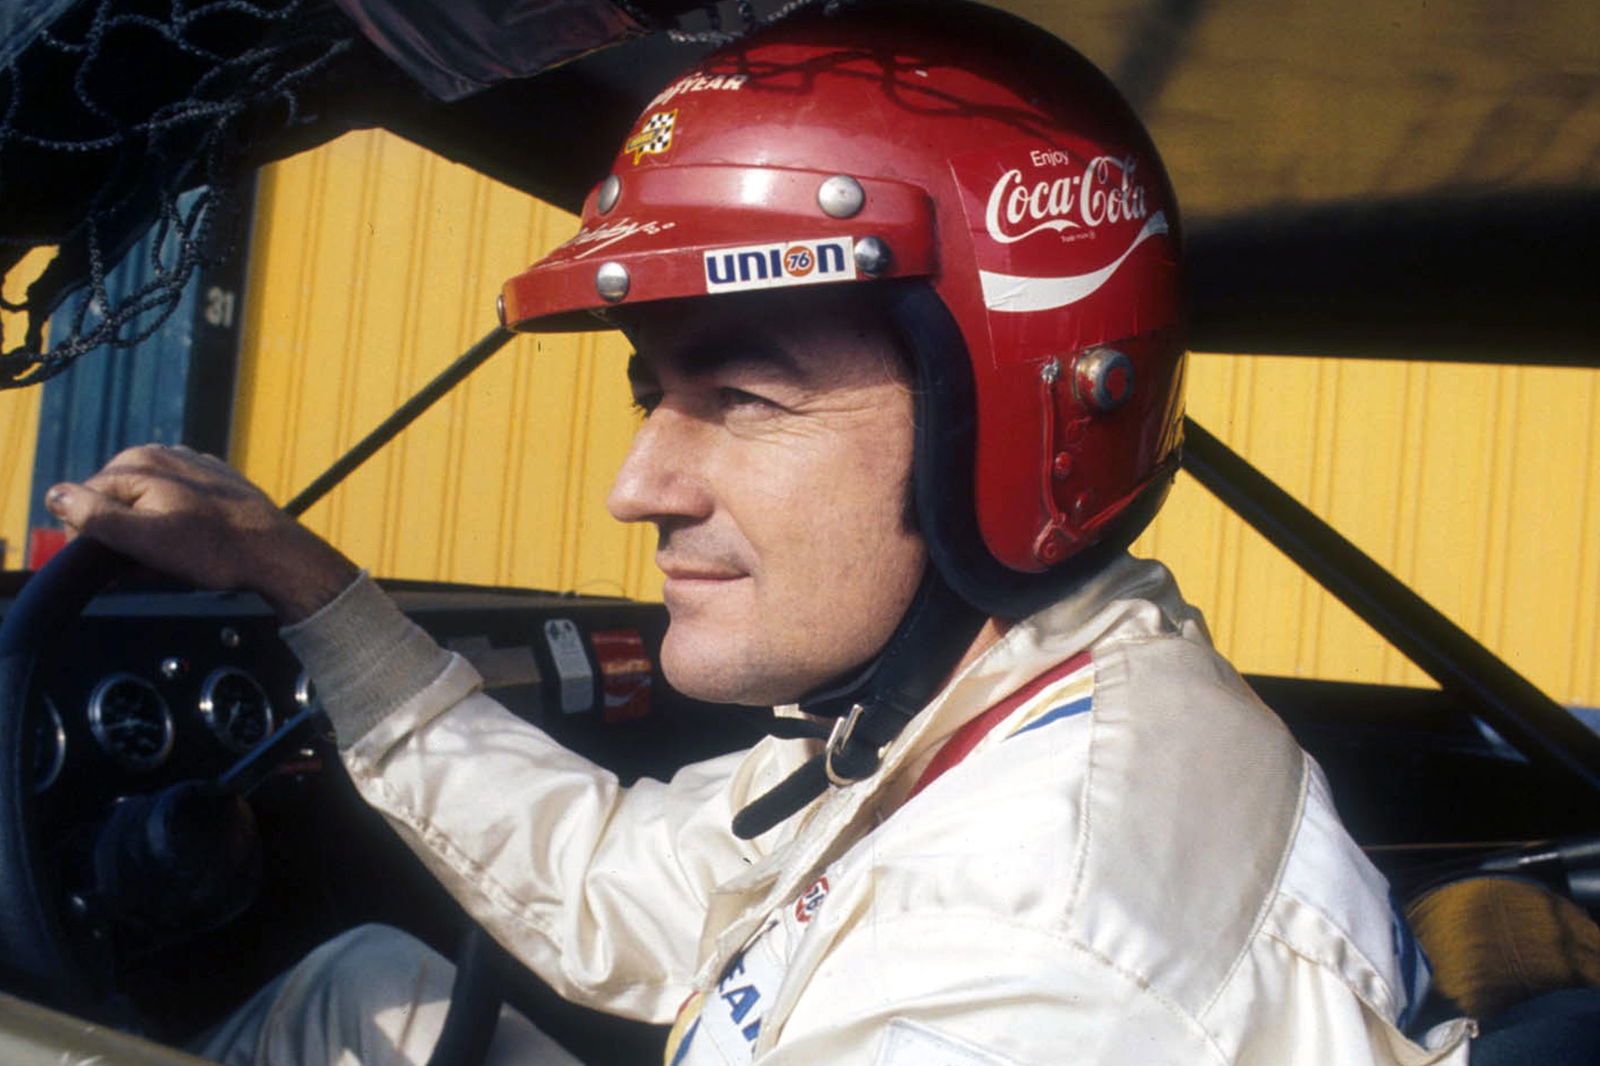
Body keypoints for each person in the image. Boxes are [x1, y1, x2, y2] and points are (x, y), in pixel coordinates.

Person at [42, 2, 1474, 1063]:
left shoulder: (1013, 973)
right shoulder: (985, 703)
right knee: (357, 990)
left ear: (1015, 420)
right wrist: (304, 584)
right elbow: (626, 884)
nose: (637, 483)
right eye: (656, 392)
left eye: (742, 395)